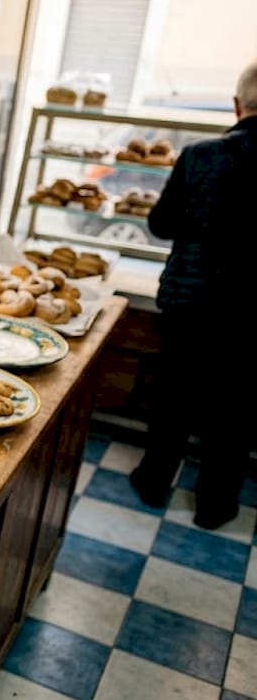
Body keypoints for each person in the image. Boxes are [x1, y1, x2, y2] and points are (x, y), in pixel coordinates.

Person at [128, 61, 257, 530]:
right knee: (238, 413)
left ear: (236, 104)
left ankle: (154, 481)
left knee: (175, 400)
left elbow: (161, 224)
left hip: (193, 302)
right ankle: (216, 505)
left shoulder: (202, 155)